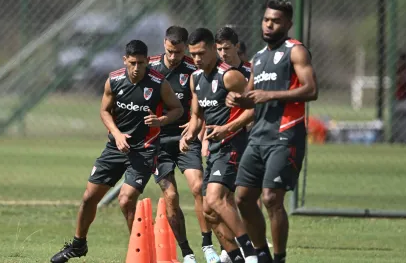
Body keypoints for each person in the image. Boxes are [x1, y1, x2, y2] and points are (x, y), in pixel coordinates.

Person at [50, 40, 184, 263]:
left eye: (141, 63)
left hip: (144, 150)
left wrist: (161, 120)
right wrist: (117, 134)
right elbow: (104, 111)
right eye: (132, 63)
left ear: (147, 61)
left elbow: (177, 109)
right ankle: (78, 245)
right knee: (88, 198)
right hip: (116, 147)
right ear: (125, 60)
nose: (136, 68)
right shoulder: (114, 80)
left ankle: (145, 254)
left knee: (126, 200)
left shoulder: (159, 83)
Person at [226, 0, 318, 263]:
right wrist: (238, 99)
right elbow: (252, 98)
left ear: (288, 24)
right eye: (266, 20)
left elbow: (312, 89)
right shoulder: (258, 57)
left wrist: (271, 95)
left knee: (271, 198)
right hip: (258, 137)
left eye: (276, 21)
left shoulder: (296, 51)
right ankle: (262, 255)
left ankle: (279, 259)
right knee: (242, 199)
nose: (269, 25)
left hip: (285, 135)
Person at [180, 28, 258, 263]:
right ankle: (235, 257)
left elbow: (255, 107)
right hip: (214, 148)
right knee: (209, 212)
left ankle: (250, 253)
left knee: (215, 198)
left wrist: (228, 128)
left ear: (213, 49)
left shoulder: (230, 76)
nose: (197, 59)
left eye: (202, 53)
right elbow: (196, 116)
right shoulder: (195, 79)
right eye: (193, 54)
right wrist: (189, 135)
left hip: (233, 144)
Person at [148, 26, 220, 262]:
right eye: (169, 51)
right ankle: (187, 252)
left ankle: (207, 245)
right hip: (157, 141)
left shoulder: (192, 68)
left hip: (185, 137)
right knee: (170, 196)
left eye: (178, 53)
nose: (173, 57)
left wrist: (200, 131)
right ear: (164, 44)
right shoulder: (149, 68)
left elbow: (204, 103)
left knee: (198, 187)